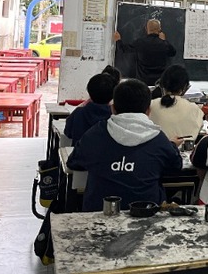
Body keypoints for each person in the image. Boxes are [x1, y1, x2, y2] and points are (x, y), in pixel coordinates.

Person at [67, 79, 183, 212]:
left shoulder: (95, 134)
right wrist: (172, 145)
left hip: (99, 215)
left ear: (112, 108)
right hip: (147, 215)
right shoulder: (158, 138)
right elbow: (175, 167)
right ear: (148, 110)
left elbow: (73, 162)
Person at [149, 64, 204, 145]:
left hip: (155, 151)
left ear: (161, 85)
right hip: (184, 152)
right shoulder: (195, 110)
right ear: (185, 88)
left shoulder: (150, 106)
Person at [114, 19, 176, 86]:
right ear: (160, 29)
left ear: (146, 29)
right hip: (159, 83)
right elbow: (173, 52)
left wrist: (118, 40)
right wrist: (164, 41)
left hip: (143, 82)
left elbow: (124, 49)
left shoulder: (140, 43)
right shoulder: (164, 44)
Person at [64, 73, 117, 147]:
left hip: (80, 153)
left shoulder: (79, 113)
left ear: (89, 91)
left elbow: (67, 132)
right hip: (106, 154)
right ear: (113, 96)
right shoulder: (115, 117)